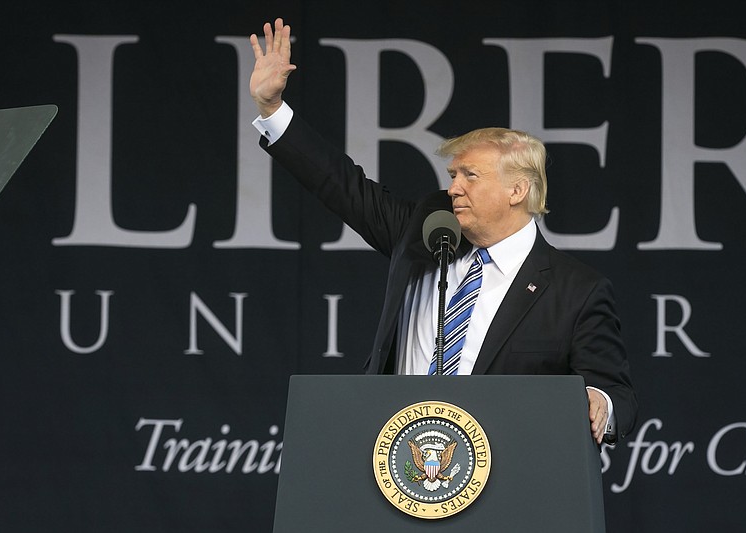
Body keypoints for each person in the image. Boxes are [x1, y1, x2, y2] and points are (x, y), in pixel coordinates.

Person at [249, 18, 637, 444]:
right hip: (396, 466)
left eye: (470, 175)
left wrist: (600, 401)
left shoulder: (576, 291)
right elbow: (342, 186)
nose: (453, 188)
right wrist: (273, 110)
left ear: (517, 189)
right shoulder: (426, 234)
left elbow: (614, 391)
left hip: (505, 480)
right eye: (453, 174)